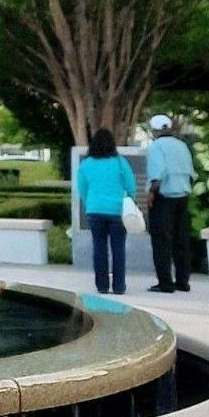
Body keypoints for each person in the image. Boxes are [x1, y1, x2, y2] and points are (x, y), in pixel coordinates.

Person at [76, 128, 137, 295]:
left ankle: (102, 286)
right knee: (118, 249)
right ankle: (119, 286)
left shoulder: (86, 164)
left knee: (99, 248)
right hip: (117, 212)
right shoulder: (119, 162)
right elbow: (131, 186)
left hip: (95, 210)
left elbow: (82, 189)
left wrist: (90, 203)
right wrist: (129, 198)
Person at [146, 114, 195, 294]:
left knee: (161, 240)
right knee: (181, 240)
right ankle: (183, 281)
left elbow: (157, 174)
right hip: (183, 196)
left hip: (164, 198)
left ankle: (165, 283)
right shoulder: (182, 146)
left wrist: (151, 195)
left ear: (155, 130)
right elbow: (190, 173)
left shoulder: (156, 147)